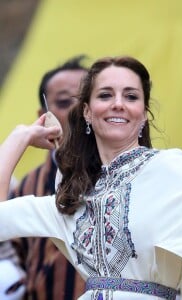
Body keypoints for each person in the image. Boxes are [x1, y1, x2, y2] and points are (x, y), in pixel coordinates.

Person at [0, 56, 182, 300]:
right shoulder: (72, 195)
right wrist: (20, 137)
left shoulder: (167, 167)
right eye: (105, 95)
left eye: (131, 96)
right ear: (87, 112)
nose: (118, 103)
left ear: (144, 113)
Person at [9, 56, 88, 300]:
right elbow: (20, 251)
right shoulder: (27, 185)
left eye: (88, 99)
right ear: (43, 115)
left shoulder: (125, 173)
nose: (78, 110)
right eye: (65, 101)